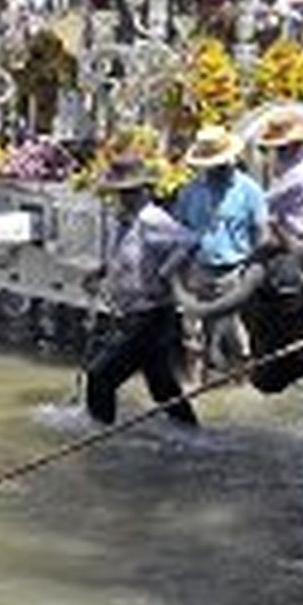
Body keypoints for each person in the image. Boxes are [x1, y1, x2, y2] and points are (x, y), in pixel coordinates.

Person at [84, 156, 197, 427]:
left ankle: (100, 437)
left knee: (100, 377)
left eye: (131, 192)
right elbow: (125, 255)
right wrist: (102, 270)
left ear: (145, 190)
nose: (125, 198)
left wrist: (166, 271)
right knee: (162, 386)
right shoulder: (122, 220)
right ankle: (193, 435)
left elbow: (191, 241)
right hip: (133, 313)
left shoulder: (153, 219)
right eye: (122, 193)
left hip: (151, 316)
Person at [174, 126, 266, 374]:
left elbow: (260, 233)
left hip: (234, 271)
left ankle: (243, 381)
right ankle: (194, 381)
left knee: (236, 334)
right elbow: (180, 234)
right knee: (192, 335)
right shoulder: (190, 191)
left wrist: (253, 271)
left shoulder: (249, 190)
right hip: (198, 270)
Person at [258, 109, 303, 248]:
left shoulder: (298, 173)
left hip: (301, 236)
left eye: (280, 148)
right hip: (295, 229)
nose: (276, 151)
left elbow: (266, 203)